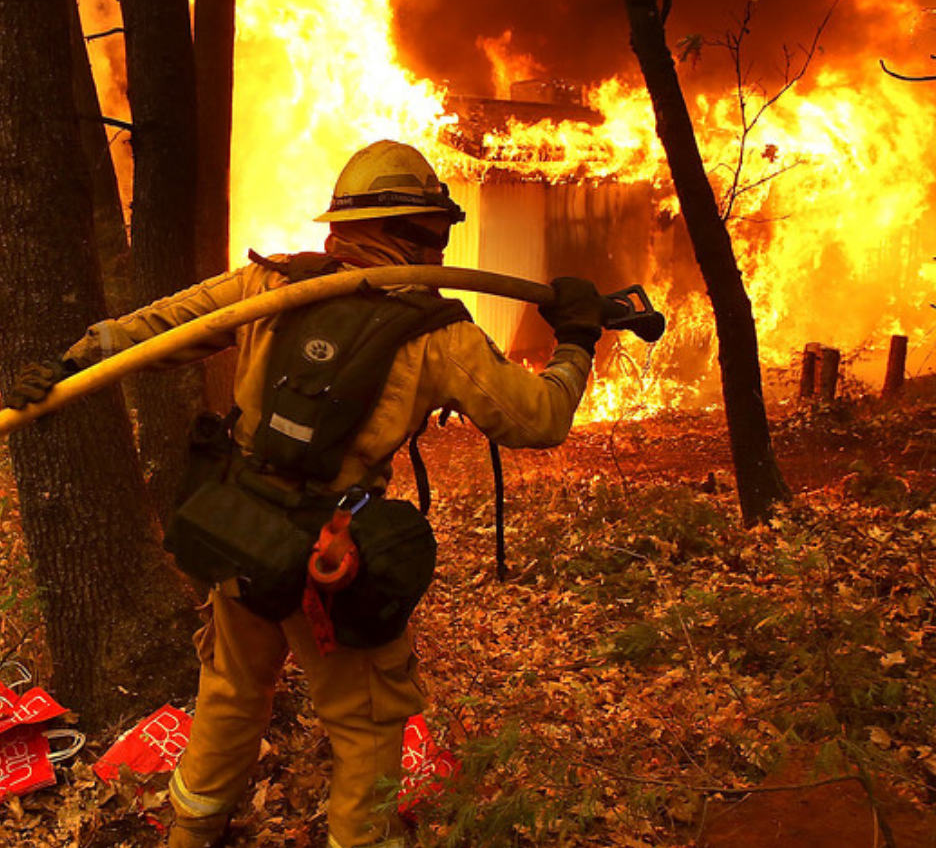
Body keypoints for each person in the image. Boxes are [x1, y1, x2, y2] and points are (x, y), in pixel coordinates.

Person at [5, 140, 605, 848]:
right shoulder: (437, 333)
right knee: (366, 723)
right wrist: (576, 340)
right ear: (412, 232)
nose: (440, 246)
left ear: (345, 224)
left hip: (239, 534)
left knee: (228, 697)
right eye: (435, 232)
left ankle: (189, 835)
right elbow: (538, 417)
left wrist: (74, 359)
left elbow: (164, 326)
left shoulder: (272, 287)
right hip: (330, 559)